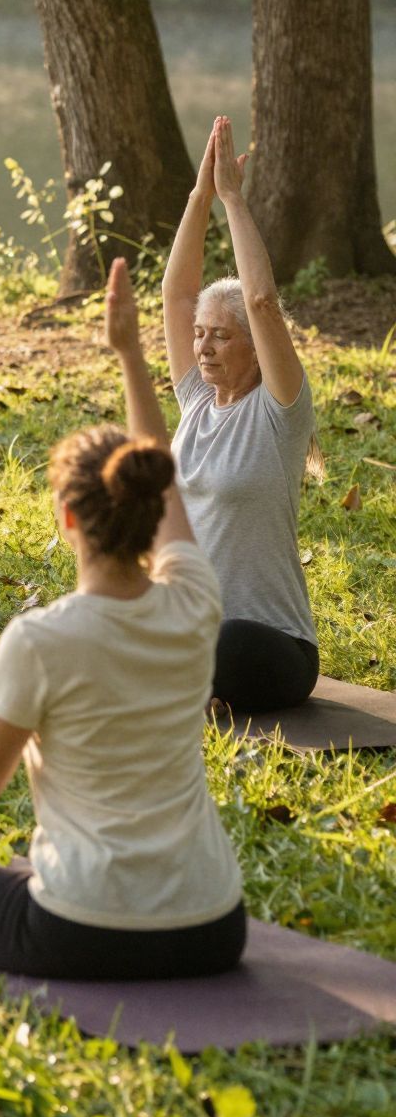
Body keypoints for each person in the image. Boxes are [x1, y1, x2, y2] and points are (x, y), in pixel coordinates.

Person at [0, 259, 246, 983]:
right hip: (214, 928)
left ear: (68, 519)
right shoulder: (196, 600)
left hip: (83, 931)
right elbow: (162, 467)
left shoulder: (40, 639)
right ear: (154, 510)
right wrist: (130, 354)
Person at [162, 115, 319, 712]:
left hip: (269, 646)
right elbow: (177, 296)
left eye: (221, 337)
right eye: (199, 335)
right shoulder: (196, 402)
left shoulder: (279, 414)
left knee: (220, 640)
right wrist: (199, 195)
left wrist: (232, 199)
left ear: (255, 344)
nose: (202, 346)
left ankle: (187, 683)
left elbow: (260, 299)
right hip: (191, 635)